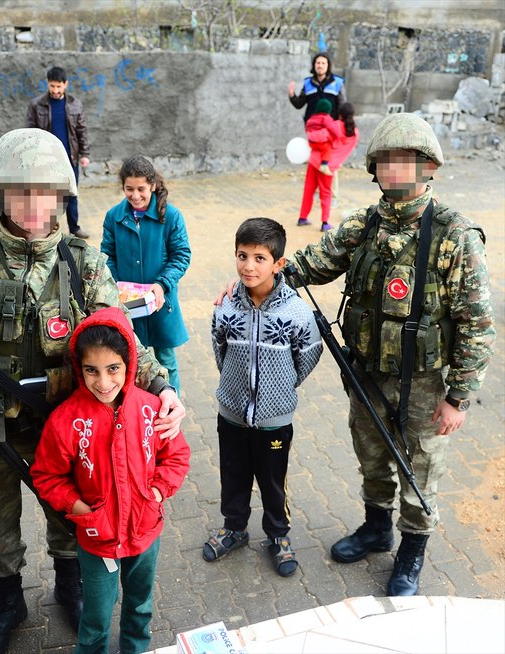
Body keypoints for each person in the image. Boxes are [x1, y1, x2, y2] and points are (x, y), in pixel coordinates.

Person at [0, 128, 185, 654]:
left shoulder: (84, 261)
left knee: (69, 514)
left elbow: (118, 333)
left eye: (45, 193)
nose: (33, 206)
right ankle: (7, 602)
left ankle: (70, 591)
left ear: (61, 196)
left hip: (66, 431)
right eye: (20, 192)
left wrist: (162, 387)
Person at [288, 112, 495, 596]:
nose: (393, 168)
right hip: (364, 374)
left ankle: (411, 549)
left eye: (405, 159)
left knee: (419, 465)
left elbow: (476, 324)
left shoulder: (455, 235)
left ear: (428, 167)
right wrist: (260, 275)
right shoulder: (364, 225)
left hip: (423, 384)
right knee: (372, 455)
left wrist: (458, 398)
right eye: (385, 160)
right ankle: (376, 527)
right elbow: (314, 263)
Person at [31, 307, 190, 654]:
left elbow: (176, 455)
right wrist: (79, 507)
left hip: (146, 532)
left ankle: (135, 649)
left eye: (113, 369)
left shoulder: (151, 409)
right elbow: (46, 474)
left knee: (140, 607)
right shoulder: (66, 420)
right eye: (92, 370)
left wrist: (158, 492)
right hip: (96, 538)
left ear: (130, 363)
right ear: (79, 368)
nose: (103, 383)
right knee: (95, 619)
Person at [203, 218, 322, 577]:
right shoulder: (225, 307)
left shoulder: (296, 311)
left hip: (275, 419)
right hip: (232, 414)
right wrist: (236, 388)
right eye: (242, 256)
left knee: (272, 480)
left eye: (259, 258)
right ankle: (234, 528)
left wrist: (281, 387)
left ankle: (278, 535)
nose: (249, 266)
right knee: (233, 474)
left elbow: (309, 354)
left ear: (278, 264)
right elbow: (220, 352)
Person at [100, 155, 191, 393]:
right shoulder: (113, 217)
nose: (135, 195)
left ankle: (172, 411)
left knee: (166, 360)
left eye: (141, 188)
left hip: (161, 301)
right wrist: (115, 285)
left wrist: (162, 284)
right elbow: (106, 254)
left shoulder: (171, 216)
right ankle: (141, 413)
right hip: (128, 303)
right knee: (132, 361)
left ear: (152, 184)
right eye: (129, 189)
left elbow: (181, 256)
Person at [25, 66, 91, 239]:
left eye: (58, 86)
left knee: (71, 194)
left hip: (70, 157)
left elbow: (81, 131)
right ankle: (46, 229)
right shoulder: (36, 105)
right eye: (52, 86)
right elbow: (30, 132)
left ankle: (74, 228)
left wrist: (84, 154)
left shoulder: (75, 104)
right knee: (46, 195)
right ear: (47, 84)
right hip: (46, 159)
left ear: (65, 84)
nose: (55, 90)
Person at [298, 102, 359, 232]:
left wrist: (310, 135)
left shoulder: (334, 126)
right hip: (329, 167)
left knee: (309, 190)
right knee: (326, 194)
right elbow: (345, 150)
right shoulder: (355, 133)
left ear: (340, 114)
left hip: (315, 161)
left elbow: (316, 136)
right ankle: (325, 223)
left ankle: (302, 218)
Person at [288, 51, 346, 123]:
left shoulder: (337, 82)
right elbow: (299, 104)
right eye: (318, 63)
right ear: (314, 65)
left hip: (331, 125)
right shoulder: (308, 83)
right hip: (313, 125)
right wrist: (292, 95)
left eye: (323, 63)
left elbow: (342, 106)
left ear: (328, 65)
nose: (320, 66)